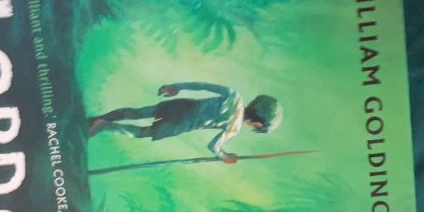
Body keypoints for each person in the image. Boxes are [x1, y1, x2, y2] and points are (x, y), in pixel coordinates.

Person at [88, 82, 282, 163]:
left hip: (183, 106)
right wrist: (224, 156)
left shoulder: (234, 96)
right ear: (257, 124)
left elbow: (201, 86)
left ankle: (98, 119)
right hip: (183, 124)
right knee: (143, 132)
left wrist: (176, 87)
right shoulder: (234, 127)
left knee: (139, 112)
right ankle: (104, 126)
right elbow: (213, 146)